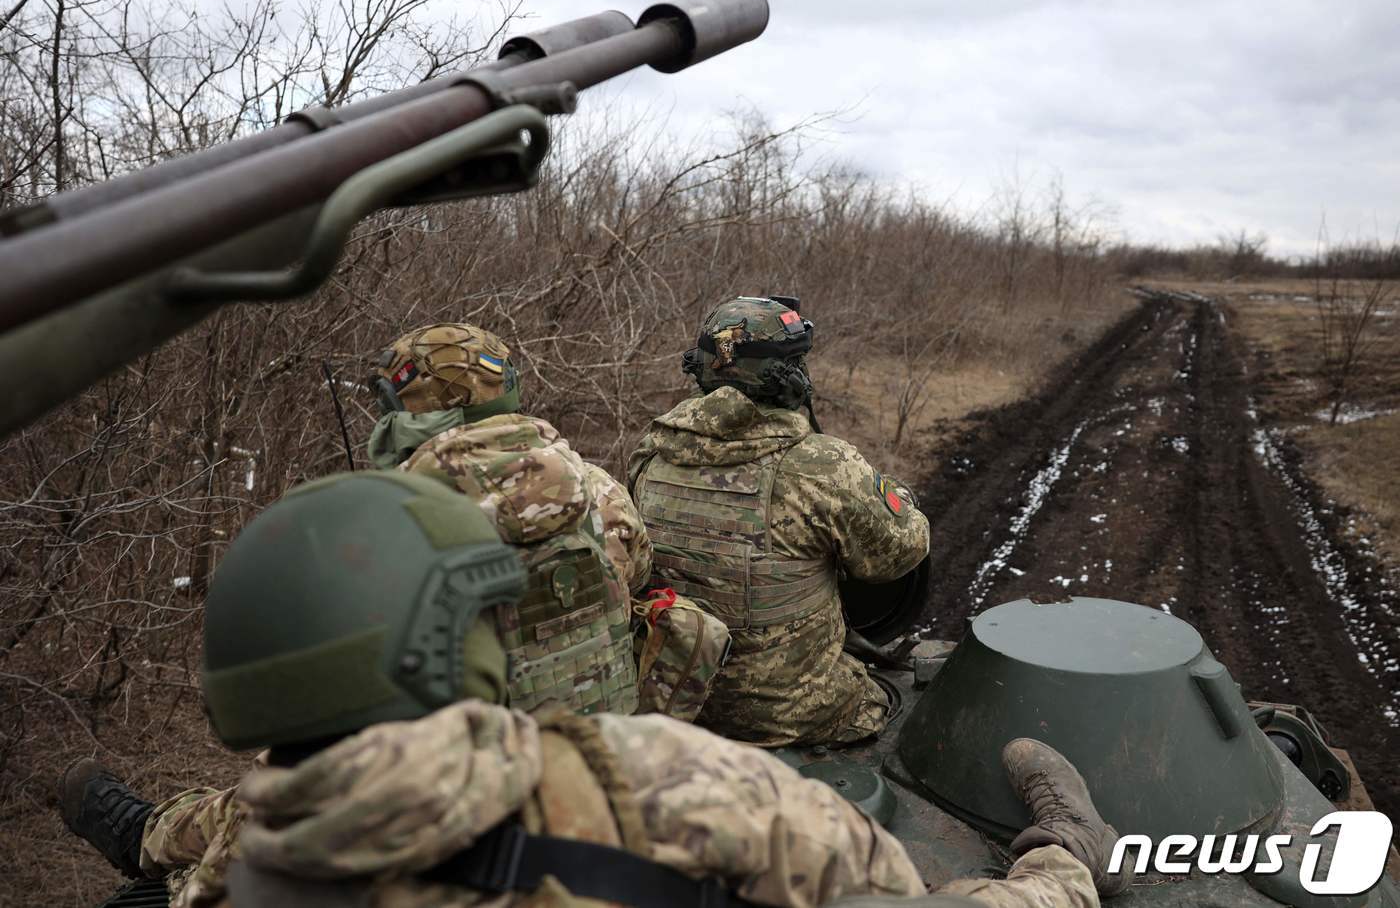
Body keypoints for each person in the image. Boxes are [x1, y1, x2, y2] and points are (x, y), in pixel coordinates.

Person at [60, 471, 1132, 908]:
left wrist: (147, 835)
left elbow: (232, 813)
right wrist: (1052, 871)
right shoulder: (656, 784)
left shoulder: (244, 858)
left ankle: (127, 821)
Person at [628, 296, 929, 746]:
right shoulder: (824, 465)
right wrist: (898, 497)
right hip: (793, 716)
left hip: (675, 703)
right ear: (790, 378)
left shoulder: (650, 453)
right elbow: (902, 552)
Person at [368, 322, 649, 714]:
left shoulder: (380, 525)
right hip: (603, 751)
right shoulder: (595, 487)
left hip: (478, 764)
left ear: (397, 410)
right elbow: (637, 573)